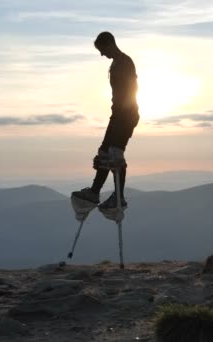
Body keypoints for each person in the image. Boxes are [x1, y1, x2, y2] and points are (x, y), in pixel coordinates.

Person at [72, 31, 139, 211]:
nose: (102, 54)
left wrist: (124, 114)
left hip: (125, 116)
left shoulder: (124, 63)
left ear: (110, 43)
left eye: (102, 50)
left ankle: (119, 196)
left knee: (115, 154)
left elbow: (132, 90)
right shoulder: (117, 63)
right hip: (118, 115)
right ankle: (95, 191)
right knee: (104, 152)